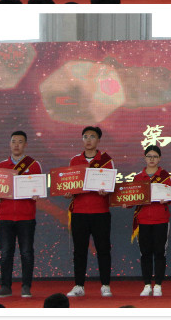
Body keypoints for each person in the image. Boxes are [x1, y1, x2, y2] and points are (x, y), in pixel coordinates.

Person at [0, 131, 42, 299]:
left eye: (20, 142)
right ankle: (5, 286)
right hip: (5, 216)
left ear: (25, 144)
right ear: (10, 144)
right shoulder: (2, 165)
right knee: (5, 253)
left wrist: (37, 193)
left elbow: (38, 187)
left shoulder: (34, 165)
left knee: (26, 253)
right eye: (14, 141)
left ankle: (26, 286)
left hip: (26, 216)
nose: (16, 145)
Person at [66, 126, 113, 298]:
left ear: (98, 140)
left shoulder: (106, 161)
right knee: (79, 250)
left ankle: (105, 285)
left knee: (103, 249)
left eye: (92, 136)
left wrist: (106, 190)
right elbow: (69, 183)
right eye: (85, 136)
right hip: (79, 212)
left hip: (100, 212)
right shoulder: (74, 160)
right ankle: (79, 285)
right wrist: (68, 191)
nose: (88, 140)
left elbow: (111, 185)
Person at [130, 145, 171, 297]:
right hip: (143, 220)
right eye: (149, 156)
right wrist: (125, 202)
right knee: (145, 253)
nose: (152, 159)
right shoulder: (138, 177)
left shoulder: (165, 176)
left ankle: (158, 285)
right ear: (145, 158)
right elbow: (131, 198)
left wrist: (166, 199)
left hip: (161, 219)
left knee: (160, 253)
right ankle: (147, 285)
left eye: (155, 156)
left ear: (159, 158)